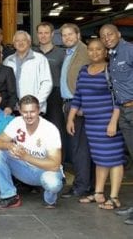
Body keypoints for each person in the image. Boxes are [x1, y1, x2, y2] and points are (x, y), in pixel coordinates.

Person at [67, 39, 125, 210]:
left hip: (108, 122)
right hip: (91, 123)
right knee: (100, 159)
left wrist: (113, 122)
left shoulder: (111, 70)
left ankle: (114, 197)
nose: (94, 53)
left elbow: (118, 99)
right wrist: (70, 118)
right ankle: (98, 193)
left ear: (105, 51)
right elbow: (78, 96)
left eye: (98, 49)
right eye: (91, 50)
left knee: (114, 159)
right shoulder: (84, 70)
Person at [0, 95, 64, 209]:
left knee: (52, 183)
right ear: (20, 111)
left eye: (32, 111)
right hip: (23, 169)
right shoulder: (17, 122)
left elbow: (55, 165)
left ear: (39, 110)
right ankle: (9, 196)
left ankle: (50, 199)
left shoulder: (50, 129)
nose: (29, 115)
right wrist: (9, 145)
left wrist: (26, 156)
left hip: (44, 171)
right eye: (25, 112)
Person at [99, 24, 133, 224]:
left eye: (110, 34)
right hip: (124, 111)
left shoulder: (129, 50)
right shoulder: (111, 56)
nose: (107, 38)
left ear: (118, 34)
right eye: (103, 36)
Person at [59, 23, 92, 199]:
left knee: (80, 149)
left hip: (78, 106)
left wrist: (81, 106)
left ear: (78, 34)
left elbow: (90, 81)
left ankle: (82, 186)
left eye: (70, 34)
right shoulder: (70, 53)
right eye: (64, 35)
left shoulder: (85, 52)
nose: (67, 38)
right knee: (78, 147)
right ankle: (86, 184)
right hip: (69, 104)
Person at [3, 30, 52, 114]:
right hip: (13, 108)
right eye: (17, 41)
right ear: (14, 44)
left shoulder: (40, 59)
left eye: (23, 40)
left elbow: (47, 83)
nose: (20, 43)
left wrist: (36, 103)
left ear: (29, 42)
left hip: (33, 108)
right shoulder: (8, 60)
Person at [34, 22, 65, 138]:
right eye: (40, 33)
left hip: (55, 95)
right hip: (37, 93)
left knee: (55, 128)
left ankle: (58, 156)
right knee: (38, 129)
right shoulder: (32, 53)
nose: (43, 36)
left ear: (52, 34)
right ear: (37, 34)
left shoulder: (61, 53)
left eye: (46, 33)